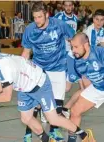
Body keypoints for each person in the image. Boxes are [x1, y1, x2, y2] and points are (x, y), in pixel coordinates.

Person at [0, 45, 95, 142]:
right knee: (26, 118)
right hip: (25, 88)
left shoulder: (5, 67)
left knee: (53, 119)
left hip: (39, 84)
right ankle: (47, 140)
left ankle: (84, 135)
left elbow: (6, 97)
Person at [21, 2, 75, 141]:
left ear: (47, 15)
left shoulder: (59, 24)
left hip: (58, 68)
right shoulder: (30, 30)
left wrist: (73, 66)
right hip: (39, 69)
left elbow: (73, 40)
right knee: (36, 104)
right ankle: (28, 133)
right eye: (35, 17)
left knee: (57, 105)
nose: (37, 20)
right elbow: (26, 52)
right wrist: (20, 71)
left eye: (40, 17)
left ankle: (54, 131)